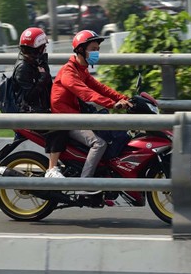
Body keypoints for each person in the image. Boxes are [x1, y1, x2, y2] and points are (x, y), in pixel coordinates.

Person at [51, 30, 133, 191]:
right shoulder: (69, 72)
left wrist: (123, 97)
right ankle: (85, 183)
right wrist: (113, 104)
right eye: (93, 49)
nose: (96, 53)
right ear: (81, 50)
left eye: (97, 49)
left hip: (78, 116)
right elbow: (86, 93)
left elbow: (100, 88)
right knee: (99, 142)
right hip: (66, 119)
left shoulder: (82, 70)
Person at [13, 27, 66, 178]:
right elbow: (28, 96)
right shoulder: (23, 68)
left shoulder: (37, 62)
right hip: (29, 113)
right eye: (43, 47)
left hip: (40, 109)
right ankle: (52, 169)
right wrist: (42, 80)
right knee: (62, 125)